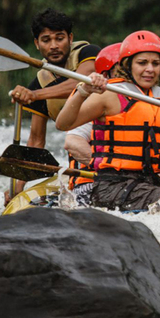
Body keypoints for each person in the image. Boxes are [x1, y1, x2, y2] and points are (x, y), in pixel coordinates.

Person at [55, 30, 160, 211]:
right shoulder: (111, 93)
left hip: (147, 184)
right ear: (128, 65)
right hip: (114, 186)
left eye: (155, 63)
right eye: (142, 63)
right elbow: (63, 124)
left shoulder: (159, 100)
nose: (150, 69)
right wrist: (83, 91)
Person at [4, 8, 100, 204]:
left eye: (60, 38)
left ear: (70, 38)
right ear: (37, 44)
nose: (54, 46)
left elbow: (81, 82)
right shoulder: (39, 83)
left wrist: (34, 95)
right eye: (46, 40)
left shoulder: (89, 53)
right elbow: (36, 142)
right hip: (82, 159)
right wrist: (17, 187)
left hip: (114, 145)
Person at [64, 42, 122, 204]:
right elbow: (72, 142)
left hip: (129, 184)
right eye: (122, 71)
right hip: (91, 184)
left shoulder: (140, 103)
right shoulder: (95, 100)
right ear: (106, 74)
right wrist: (113, 169)